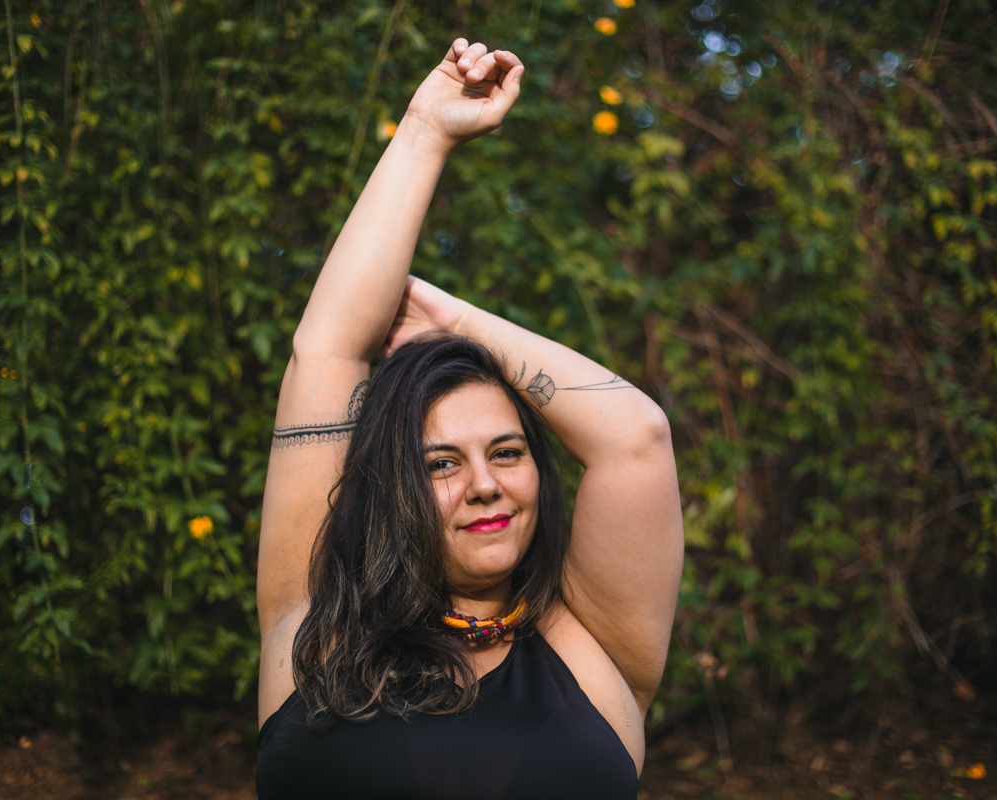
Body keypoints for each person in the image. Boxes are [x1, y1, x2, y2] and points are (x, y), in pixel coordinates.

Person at [255, 38, 684, 799]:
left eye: (508, 451)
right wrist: (426, 129)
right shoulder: (318, 621)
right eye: (440, 463)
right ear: (394, 489)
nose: (485, 485)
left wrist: (456, 321)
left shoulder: (592, 644)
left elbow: (636, 435)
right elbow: (327, 350)